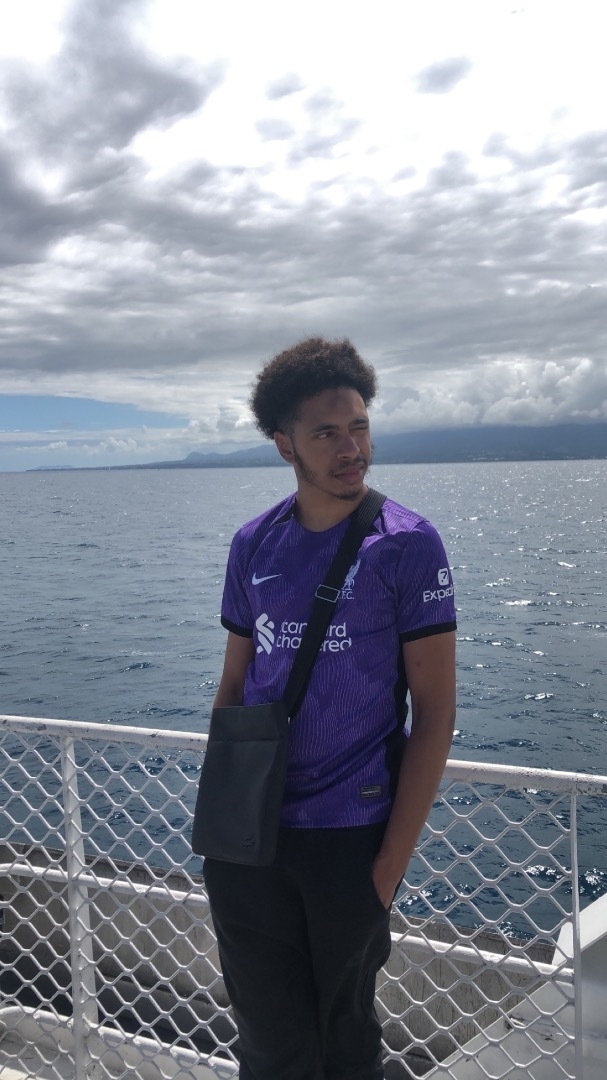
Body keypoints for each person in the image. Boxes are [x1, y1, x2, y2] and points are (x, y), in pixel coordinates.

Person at [203, 337, 457, 1080]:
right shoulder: (255, 544)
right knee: (267, 1045)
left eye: (359, 427)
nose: (351, 449)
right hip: (249, 840)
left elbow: (434, 712)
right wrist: (219, 821)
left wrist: (388, 866)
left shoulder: (406, 545)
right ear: (284, 444)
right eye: (326, 433)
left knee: (343, 1047)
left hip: (351, 835)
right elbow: (234, 686)